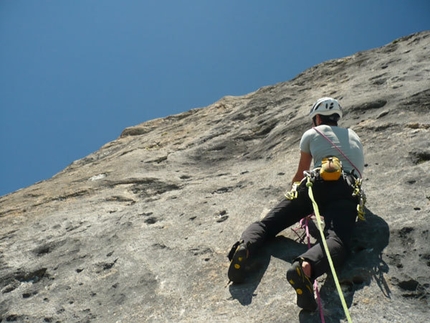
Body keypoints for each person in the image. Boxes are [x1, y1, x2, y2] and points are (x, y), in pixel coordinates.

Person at [227, 97, 365, 311]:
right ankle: (305, 267)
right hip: (345, 190)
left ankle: (245, 247)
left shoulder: (312, 134)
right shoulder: (354, 136)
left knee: (267, 225)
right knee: (337, 240)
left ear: (317, 118)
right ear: (336, 118)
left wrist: (296, 197)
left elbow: (301, 173)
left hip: (313, 185)